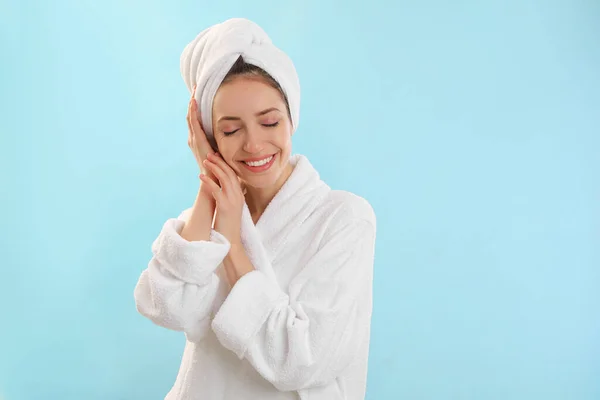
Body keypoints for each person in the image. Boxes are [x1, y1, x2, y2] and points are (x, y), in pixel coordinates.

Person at [134, 17, 377, 400]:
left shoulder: (344, 219)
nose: (254, 145)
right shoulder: (206, 222)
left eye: (269, 122)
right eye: (230, 131)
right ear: (210, 137)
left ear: (291, 119)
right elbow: (167, 307)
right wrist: (210, 186)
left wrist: (232, 242)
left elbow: (303, 359)